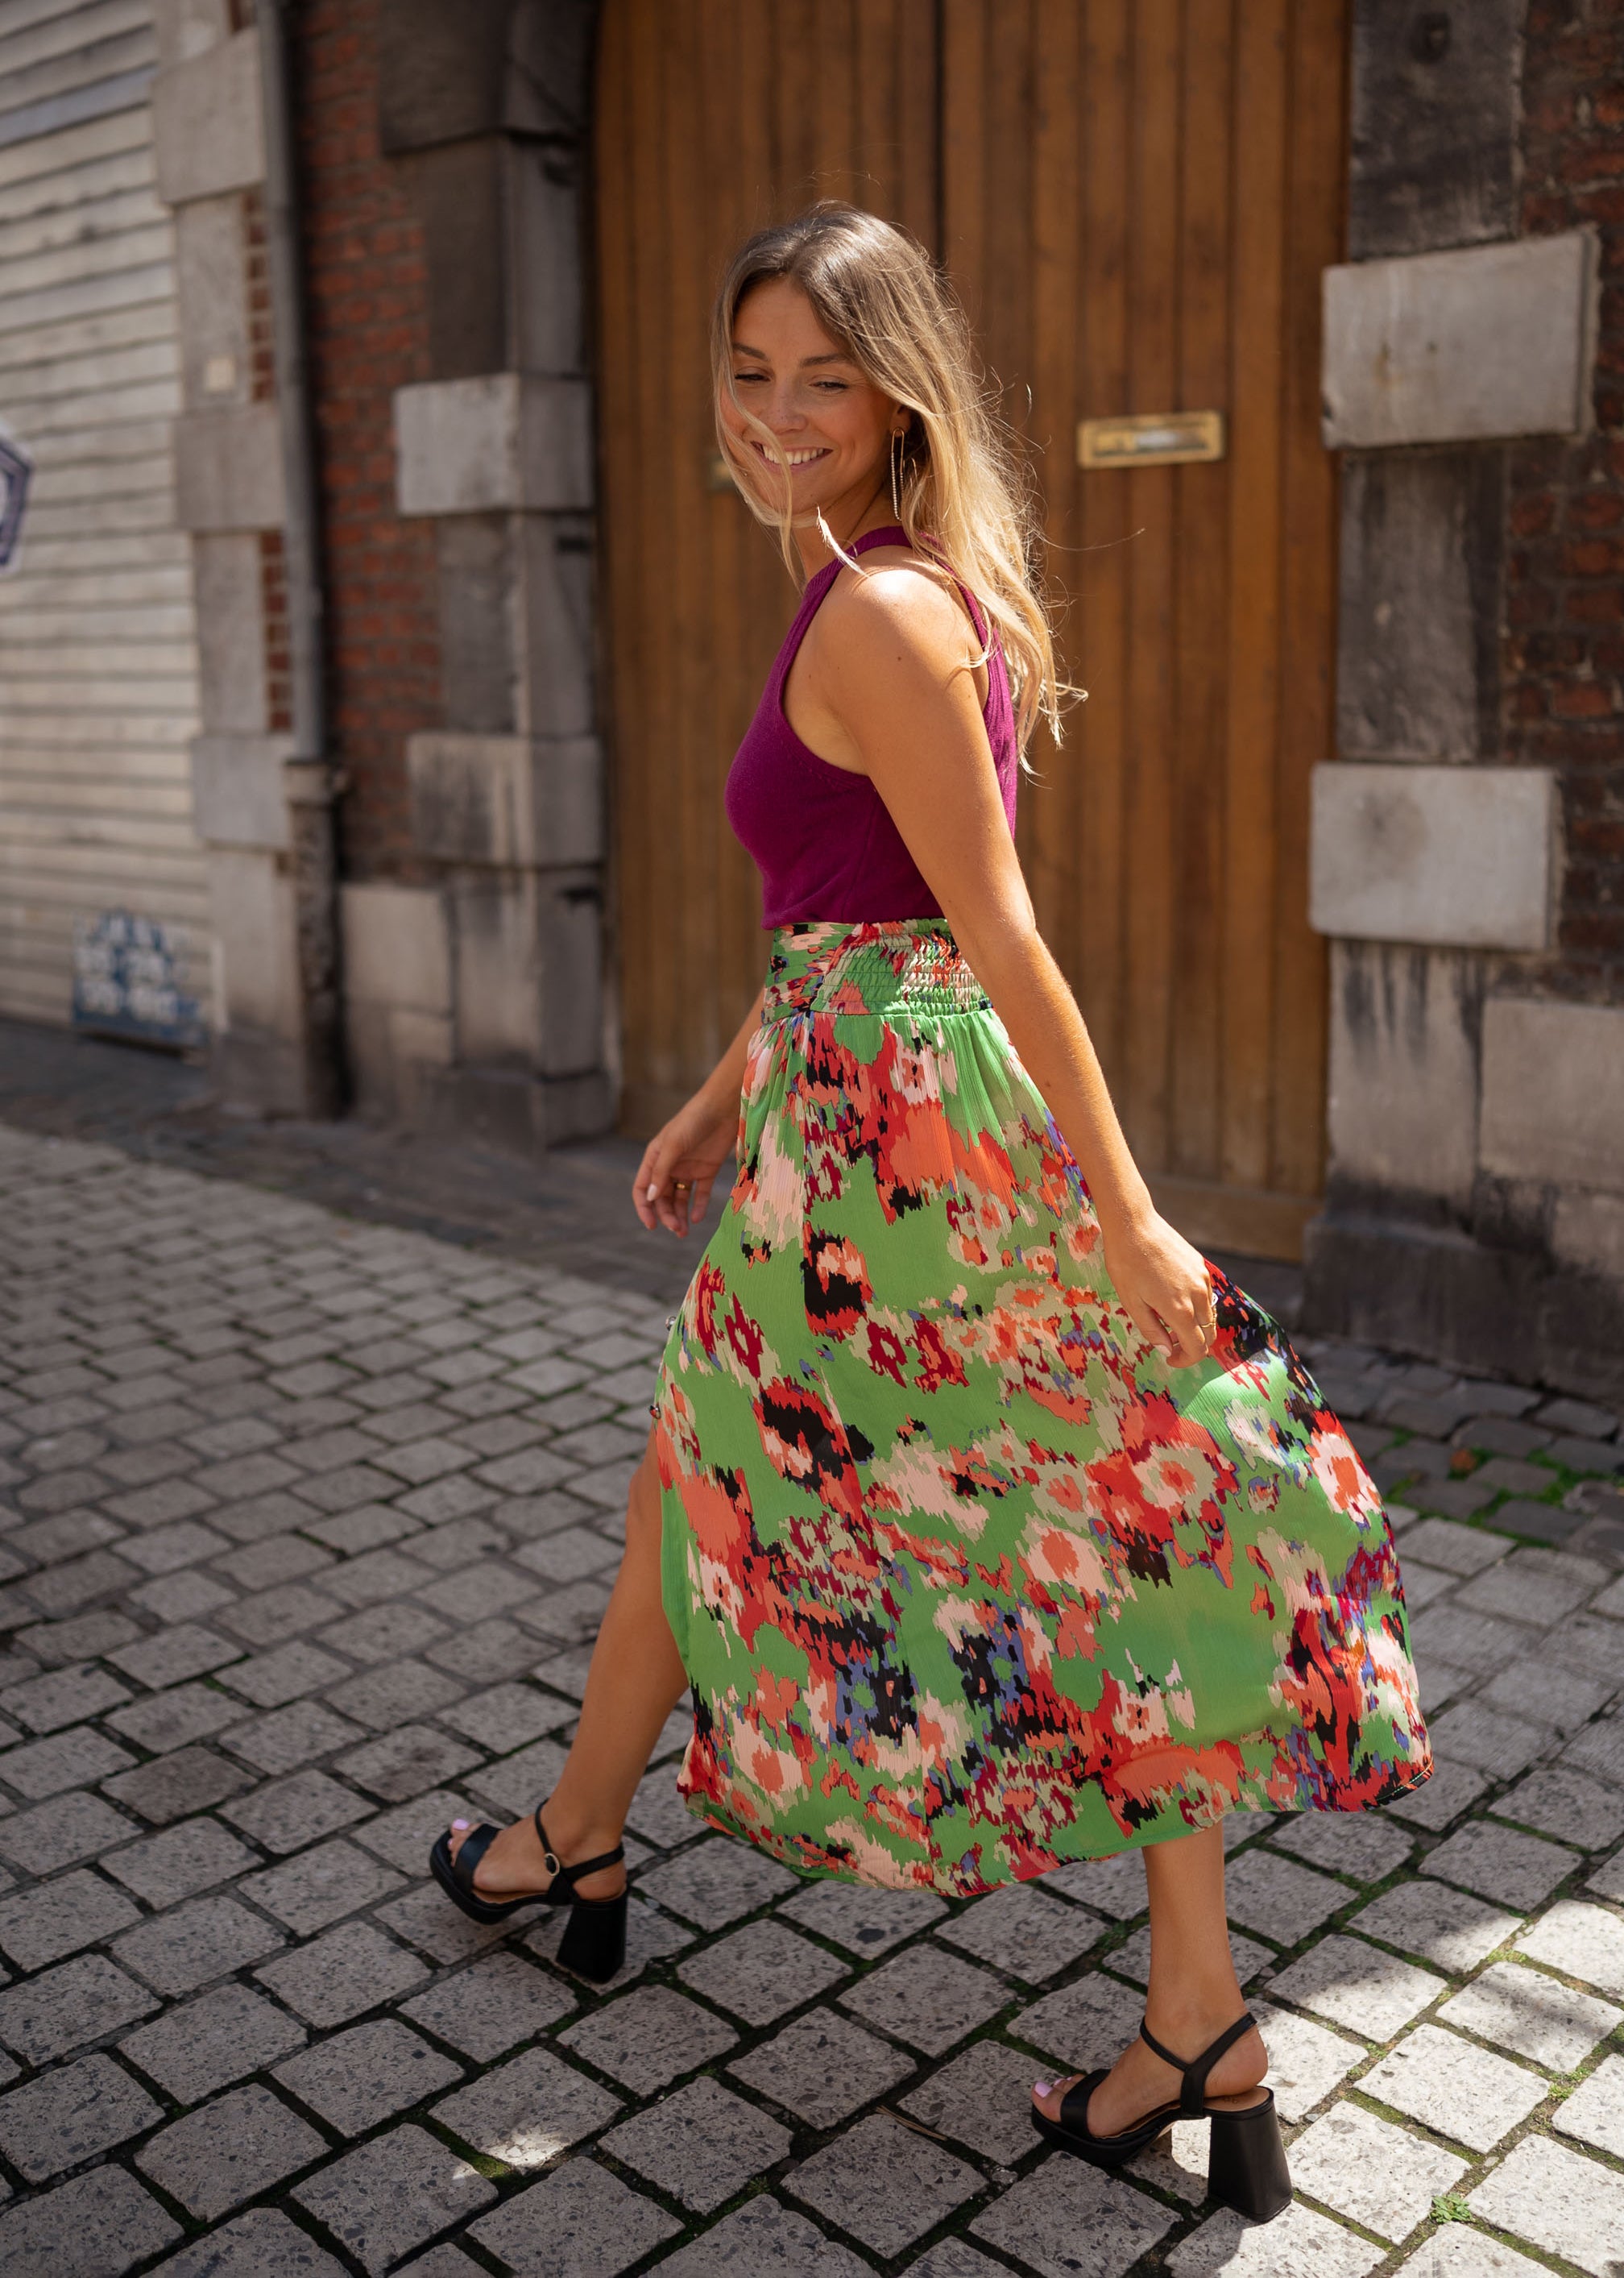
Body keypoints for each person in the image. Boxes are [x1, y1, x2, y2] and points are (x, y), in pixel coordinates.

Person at [432, 202, 1431, 2222]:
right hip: (840, 1114)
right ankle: (1183, 2010)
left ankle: (577, 1846)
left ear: (900, 395)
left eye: (824, 377)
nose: (775, 412)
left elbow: (994, 935)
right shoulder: (871, 583)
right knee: (993, 1492)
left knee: (941, 1489)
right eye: (750, 372)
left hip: (887, 1157)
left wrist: (1130, 1217)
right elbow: (850, 912)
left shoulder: (881, 612)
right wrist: (721, 1089)